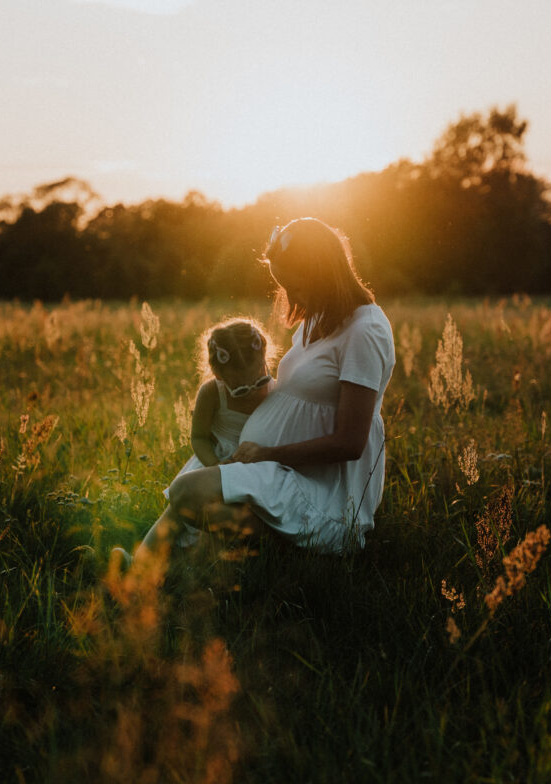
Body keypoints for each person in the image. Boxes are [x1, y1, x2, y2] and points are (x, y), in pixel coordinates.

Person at [164, 217, 396, 553]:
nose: (290, 296)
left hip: (321, 488)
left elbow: (350, 443)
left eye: (296, 286)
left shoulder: (365, 331)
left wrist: (266, 454)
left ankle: (291, 546)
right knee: (188, 497)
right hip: (280, 470)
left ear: (322, 273)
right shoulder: (320, 316)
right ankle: (154, 567)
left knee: (187, 494)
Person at [138, 318, 274, 552]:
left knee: (217, 523)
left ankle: (192, 566)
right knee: (178, 513)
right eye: (241, 388)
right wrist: (215, 466)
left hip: (252, 467)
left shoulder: (275, 391)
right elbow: (199, 437)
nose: (252, 390)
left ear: (265, 360)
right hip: (215, 463)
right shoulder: (212, 392)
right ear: (218, 374)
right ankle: (139, 562)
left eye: (260, 380)